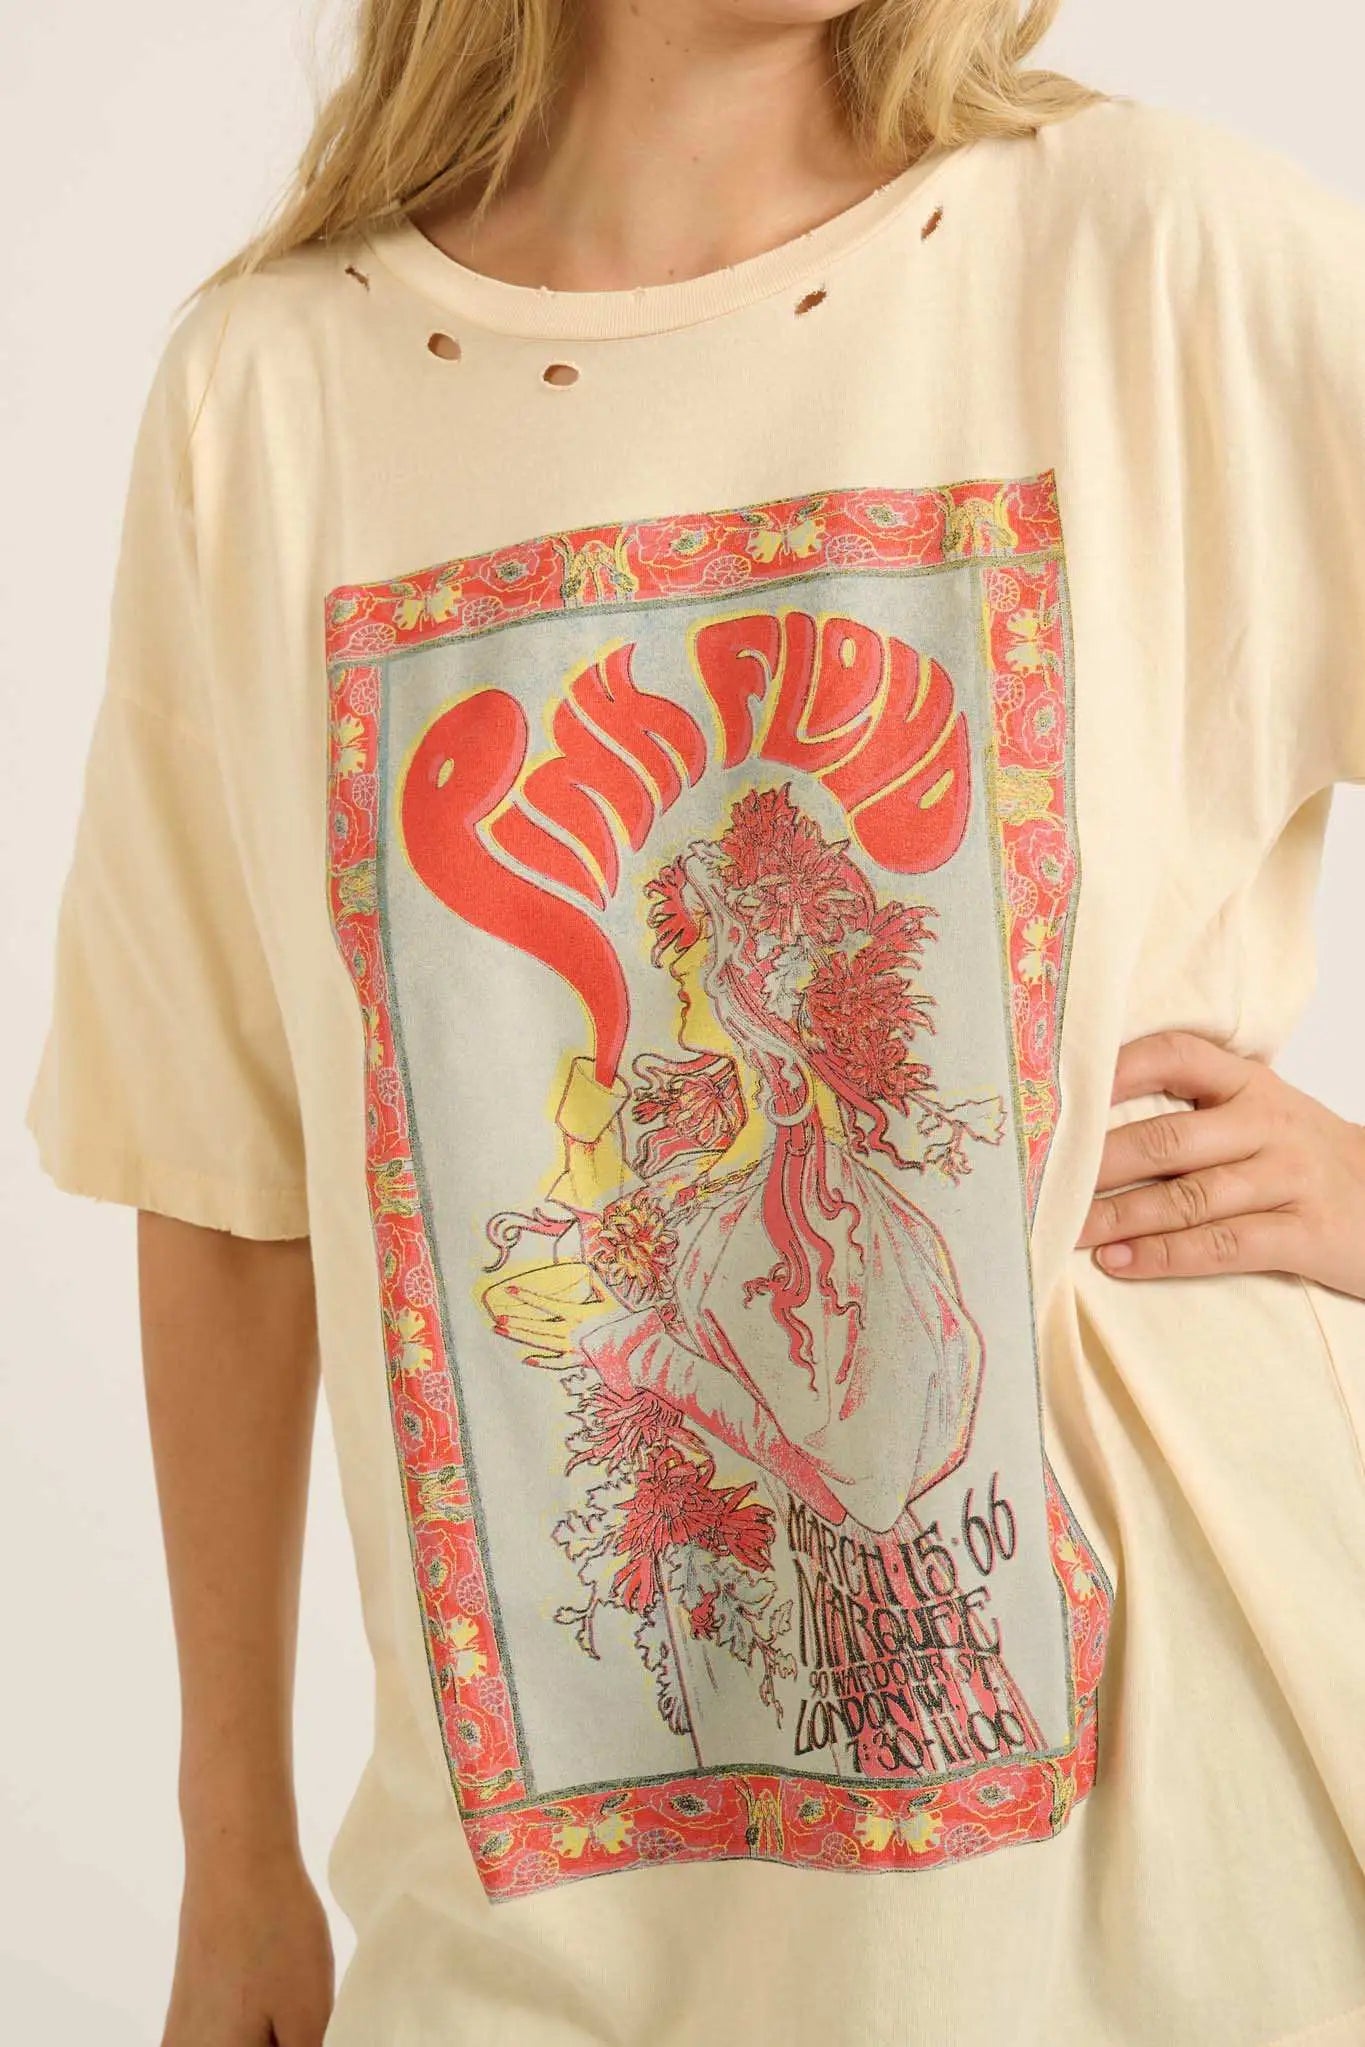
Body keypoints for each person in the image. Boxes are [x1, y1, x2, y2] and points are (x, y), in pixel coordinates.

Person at [25, 0, 1365, 2041]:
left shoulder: (1151, 253)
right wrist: (233, 1849)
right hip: (542, 1913)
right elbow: (221, 1172)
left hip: (1176, 1856)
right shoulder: (273, 399)